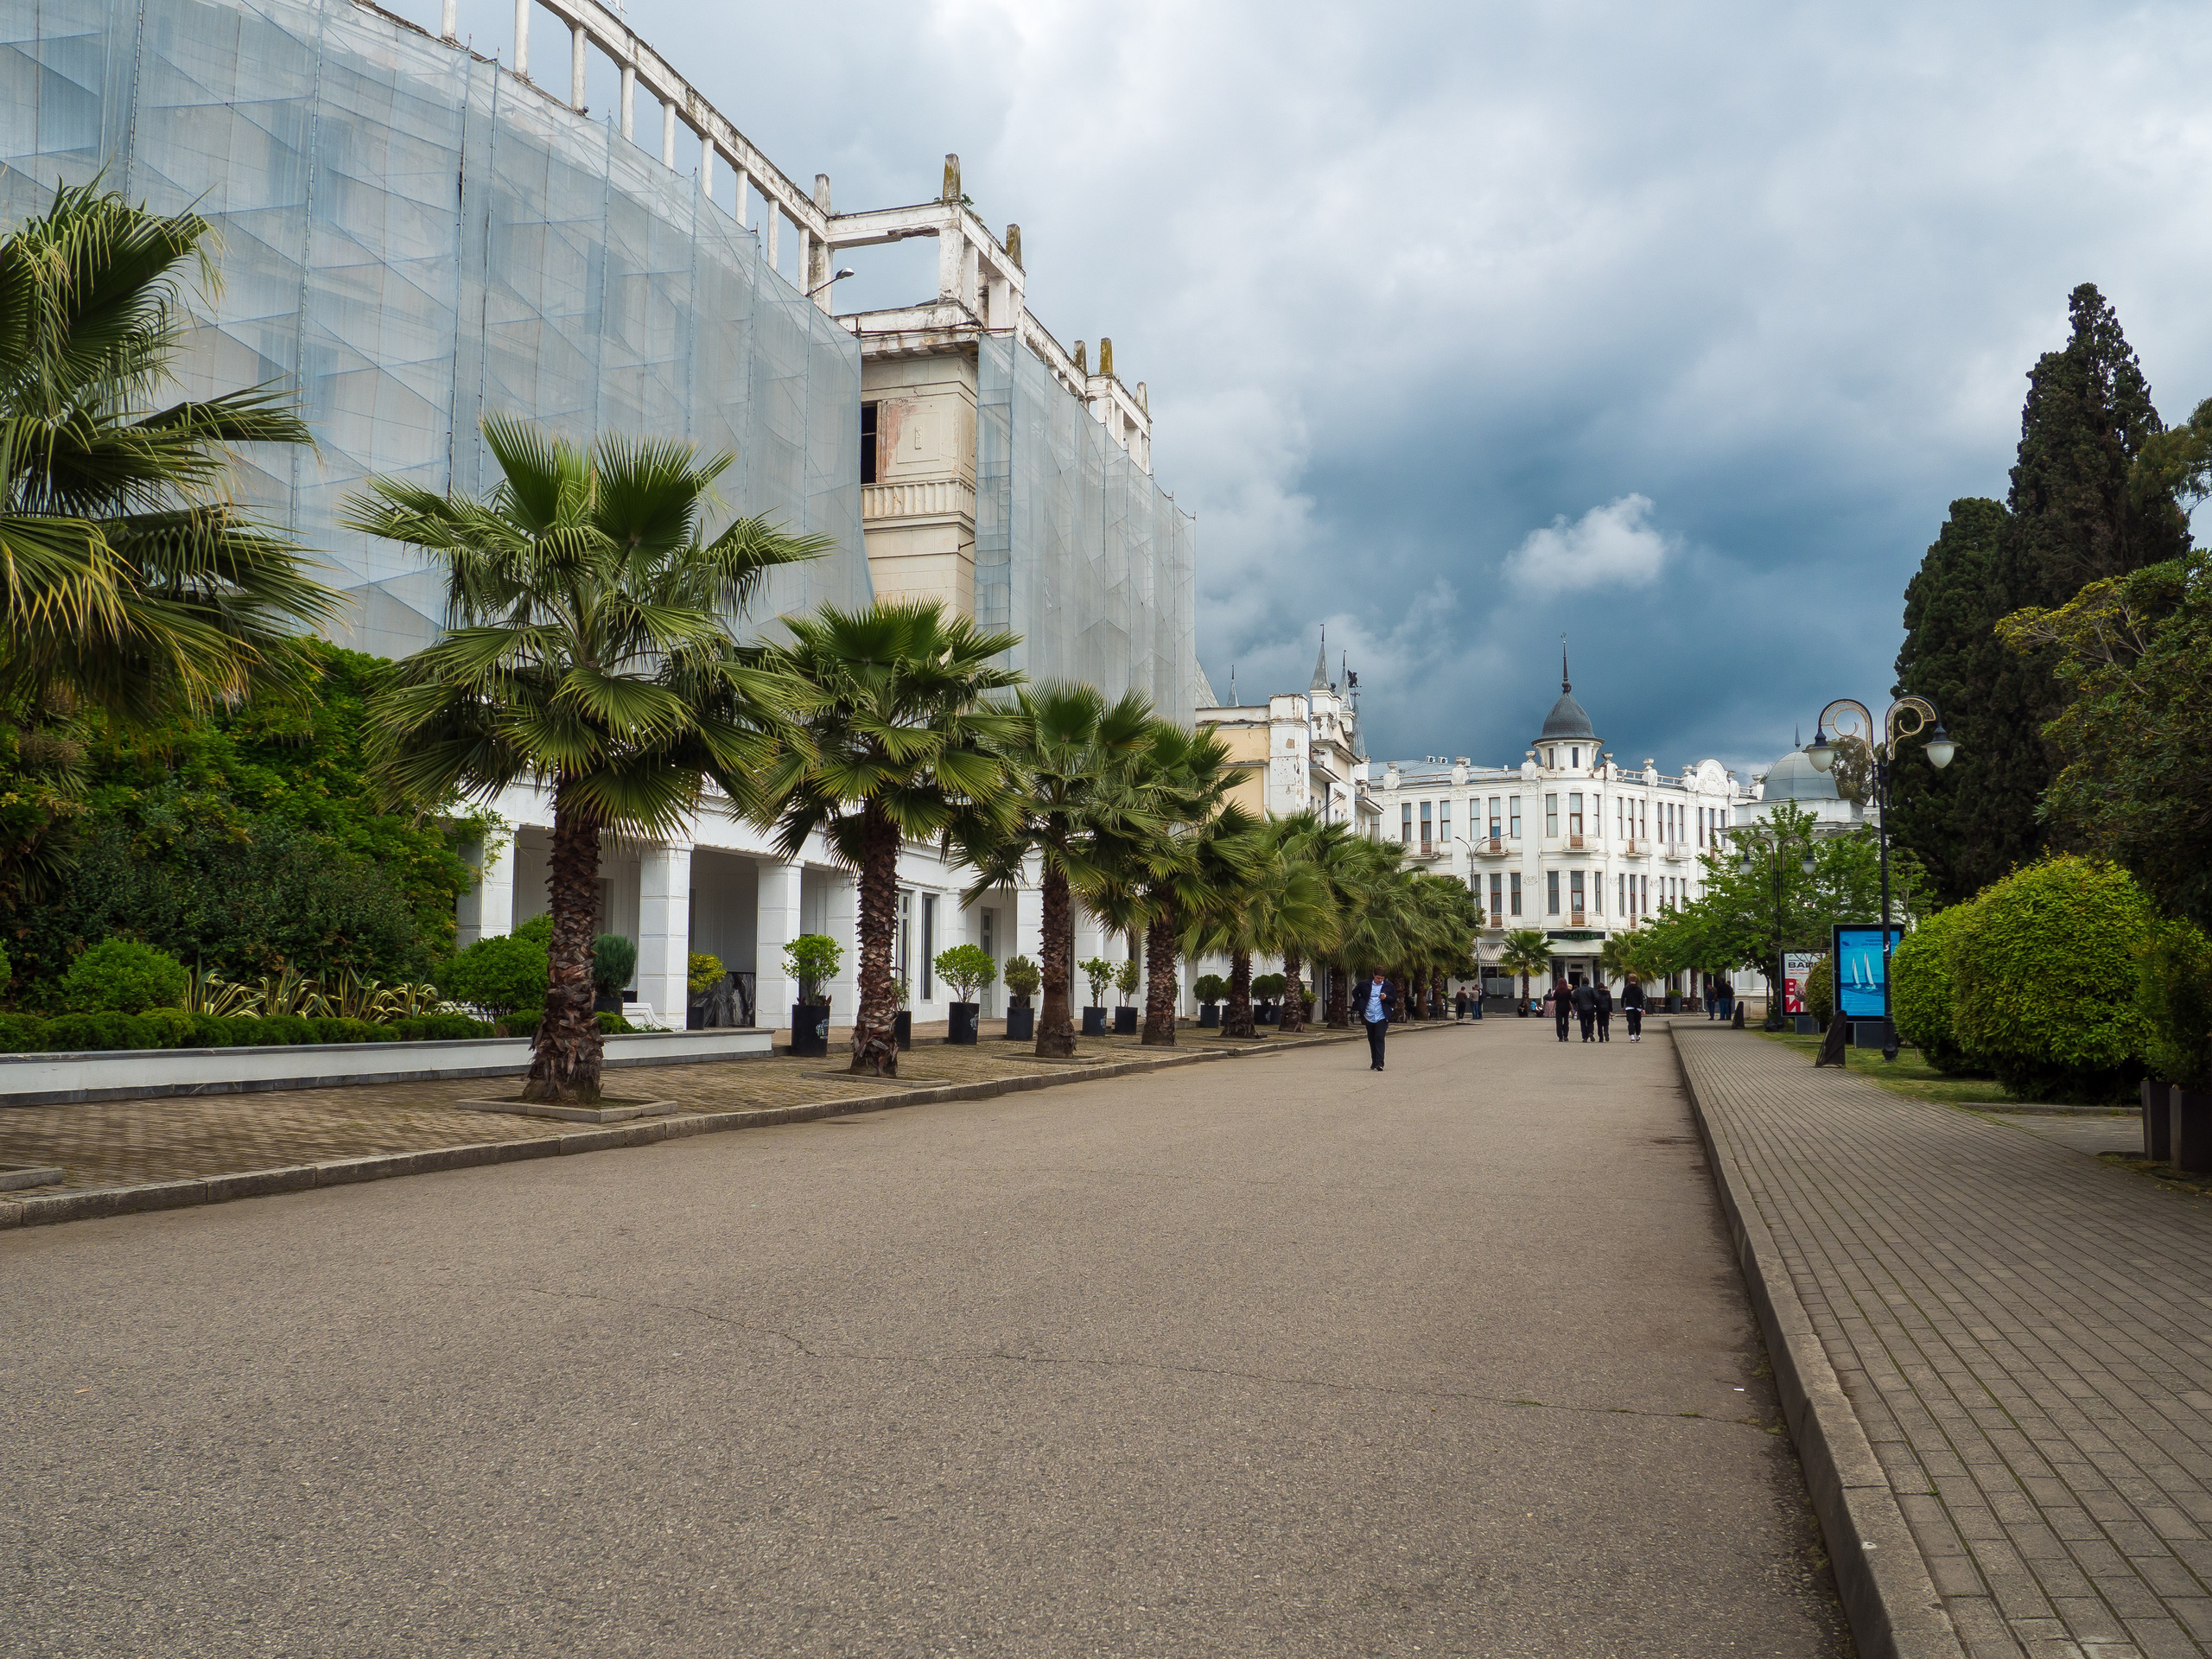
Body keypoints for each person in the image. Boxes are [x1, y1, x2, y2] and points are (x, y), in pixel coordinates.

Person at [1360, 969, 1396, 1071]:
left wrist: (1386, 997)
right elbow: (1355, 993)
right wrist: (1361, 1006)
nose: (1380, 980)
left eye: (1382, 978)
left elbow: (1394, 999)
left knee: (1379, 1038)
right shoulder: (1364, 984)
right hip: (1369, 1015)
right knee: (1372, 1038)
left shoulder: (1389, 986)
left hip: (1382, 1015)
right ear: (1374, 976)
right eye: (1378, 978)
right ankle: (1374, 1062)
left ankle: (1380, 1063)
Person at [1573, 976, 1598, 1042]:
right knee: (1590, 1022)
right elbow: (1596, 997)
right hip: (1590, 1008)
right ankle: (1590, 1032)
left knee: (1583, 1023)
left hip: (1581, 1008)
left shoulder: (1578, 990)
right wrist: (1594, 1004)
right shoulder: (1591, 990)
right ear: (1588, 982)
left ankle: (1585, 1037)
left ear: (1582, 982)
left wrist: (1576, 1003)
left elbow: (1573, 999)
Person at [1622, 974, 1645, 1042]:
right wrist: (1643, 1008)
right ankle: (1638, 1035)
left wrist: (1622, 1006)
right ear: (1636, 979)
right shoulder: (1639, 989)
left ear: (1629, 979)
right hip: (1638, 1008)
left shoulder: (1626, 988)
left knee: (1631, 1022)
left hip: (1629, 1008)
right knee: (1638, 1022)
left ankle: (1632, 1036)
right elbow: (1641, 999)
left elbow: (1623, 998)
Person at [1549, 976, 1570, 1043]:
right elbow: (1570, 1000)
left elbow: (1555, 1000)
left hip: (1559, 1008)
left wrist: (1552, 1008)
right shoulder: (1568, 991)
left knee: (1559, 1022)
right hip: (1566, 1008)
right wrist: (1572, 1008)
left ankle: (1560, 1037)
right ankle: (1566, 1036)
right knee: (1566, 1021)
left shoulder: (1557, 991)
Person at [1595, 978, 1614, 1042]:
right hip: (1606, 1010)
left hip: (1599, 1010)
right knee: (1606, 1024)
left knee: (1599, 1024)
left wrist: (1595, 1010)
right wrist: (1610, 1009)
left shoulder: (1597, 994)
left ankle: (1601, 1038)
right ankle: (1606, 1032)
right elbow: (1610, 1002)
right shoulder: (1608, 994)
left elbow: (1595, 1002)